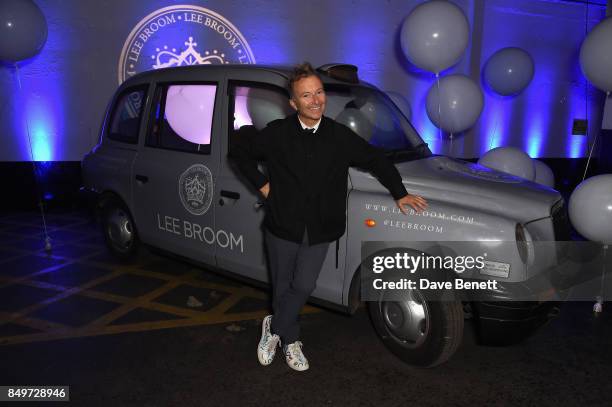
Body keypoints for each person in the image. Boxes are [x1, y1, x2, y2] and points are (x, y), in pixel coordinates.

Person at [229, 62, 427, 371]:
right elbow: (238, 154)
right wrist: (263, 186)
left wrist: (399, 192)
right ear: (294, 103)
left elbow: (375, 159)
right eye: (306, 96)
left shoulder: (339, 136)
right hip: (282, 224)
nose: (316, 100)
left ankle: (274, 327)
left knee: (304, 285)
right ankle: (290, 339)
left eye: (319, 92)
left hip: (320, 228)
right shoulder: (278, 134)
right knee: (282, 286)